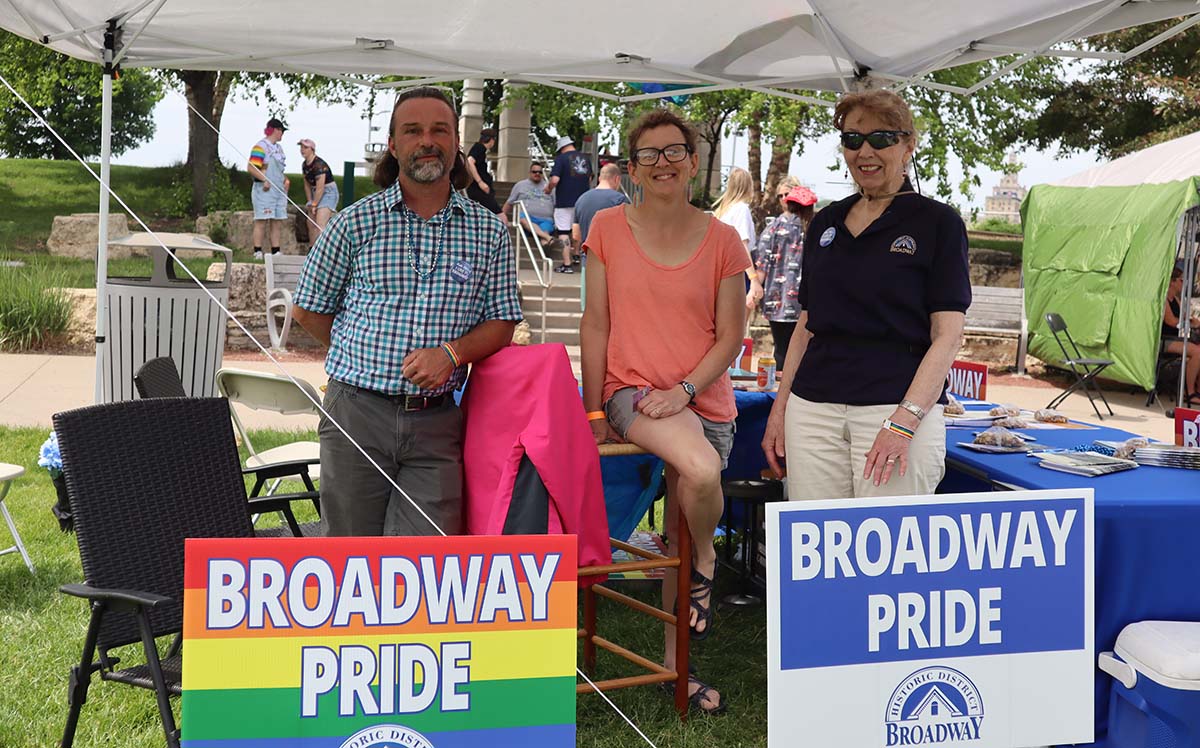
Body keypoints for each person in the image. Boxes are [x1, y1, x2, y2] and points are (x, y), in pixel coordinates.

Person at [291, 86, 522, 537]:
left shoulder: (488, 231)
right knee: (351, 557)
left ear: (456, 142)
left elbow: (502, 323)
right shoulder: (354, 222)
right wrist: (363, 358)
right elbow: (308, 310)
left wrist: (451, 355)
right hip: (356, 413)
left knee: (425, 563)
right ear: (393, 145)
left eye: (439, 130)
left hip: (437, 421)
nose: (427, 141)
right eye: (412, 131)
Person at [581, 108, 749, 715]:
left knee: (684, 514)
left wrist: (685, 388)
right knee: (701, 475)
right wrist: (593, 410)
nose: (662, 163)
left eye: (673, 150)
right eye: (648, 154)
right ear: (631, 168)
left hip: (702, 395)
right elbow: (595, 322)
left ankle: (681, 668)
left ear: (694, 159)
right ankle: (709, 558)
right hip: (633, 392)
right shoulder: (605, 227)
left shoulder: (724, 239)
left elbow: (730, 335)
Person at [761, 89, 970, 502]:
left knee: (888, 556)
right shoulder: (825, 221)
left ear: (908, 145)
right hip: (814, 411)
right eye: (853, 139)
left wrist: (904, 422)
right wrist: (780, 408)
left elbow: (947, 335)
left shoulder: (938, 223)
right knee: (817, 548)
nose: (865, 151)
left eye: (881, 138)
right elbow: (808, 323)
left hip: (893, 409)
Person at [754, 184, 817, 368]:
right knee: (800, 348)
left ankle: (778, 390)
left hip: (776, 299)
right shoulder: (812, 230)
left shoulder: (773, 228)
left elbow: (762, 262)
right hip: (804, 301)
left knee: (781, 347)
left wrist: (755, 290)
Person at [712, 167, 765, 311]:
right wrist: (754, 279)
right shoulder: (742, 210)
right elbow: (742, 246)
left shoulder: (722, 212)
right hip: (739, 273)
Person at [546, 135, 593, 274]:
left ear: (561, 148)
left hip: (564, 201)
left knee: (563, 231)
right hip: (583, 200)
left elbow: (554, 180)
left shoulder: (561, 159)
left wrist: (548, 189)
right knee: (577, 228)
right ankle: (577, 254)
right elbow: (590, 177)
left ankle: (567, 264)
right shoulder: (586, 158)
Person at [247, 117, 291, 260]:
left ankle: (275, 250)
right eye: (281, 130)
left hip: (278, 190)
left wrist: (285, 180)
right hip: (264, 190)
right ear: (274, 130)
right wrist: (264, 179)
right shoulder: (260, 147)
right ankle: (257, 251)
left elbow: (279, 169)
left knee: (277, 221)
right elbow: (251, 168)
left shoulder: (279, 149)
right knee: (261, 220)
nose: (282, 134)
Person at [1163, 263, 1200, 405]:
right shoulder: (1164, 300)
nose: (1183, 283)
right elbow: (1172, 321)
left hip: (1175, 339)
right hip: (1165, 341)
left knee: (1198, 349)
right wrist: (1188, 322)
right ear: (1172, 282)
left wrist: (1193, 321)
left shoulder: (1176, 300)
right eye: (1181, 280)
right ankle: (1188, 392)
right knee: (1197, 352)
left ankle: (1197, 389)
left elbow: (1185, 317)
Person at [571, 162, 629, 248]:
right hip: (611, 255)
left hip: (588, 256)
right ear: (617, 179)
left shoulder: (581, 199)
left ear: (599, 178)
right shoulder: (620, 200)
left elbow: (576, 235)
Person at [503, 160, 557, 246]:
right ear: (529, 173)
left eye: (540, 172)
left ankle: (545, 245)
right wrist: (502, 216)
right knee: (522, 219)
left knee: (545, 231)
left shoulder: (549, 187)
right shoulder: (520, 185)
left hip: (545, 219)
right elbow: (510, 202)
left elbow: (556, 205)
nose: (537, 174)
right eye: (534, 172)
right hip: (527, 218)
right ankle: (547, 238)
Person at [297, 138, 339, 239]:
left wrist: (315, 204)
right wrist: (310, 201)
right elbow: (307, 184)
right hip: (315, 192)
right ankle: (312, 250)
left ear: (312, 149)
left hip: (328, 192)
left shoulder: (319, 165)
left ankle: (322, 251)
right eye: (301, 147)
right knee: (310, 222)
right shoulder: (304, 165)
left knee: (320, 223)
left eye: (306, 147)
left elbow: (320, 187)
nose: (302, 150)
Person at [465, 128, 506, 221]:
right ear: (491, 140)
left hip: (480, 190)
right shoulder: (479, 147)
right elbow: (470, 161)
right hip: (479, 190)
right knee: (501, 217)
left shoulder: (481, 150)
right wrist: (480, 182)